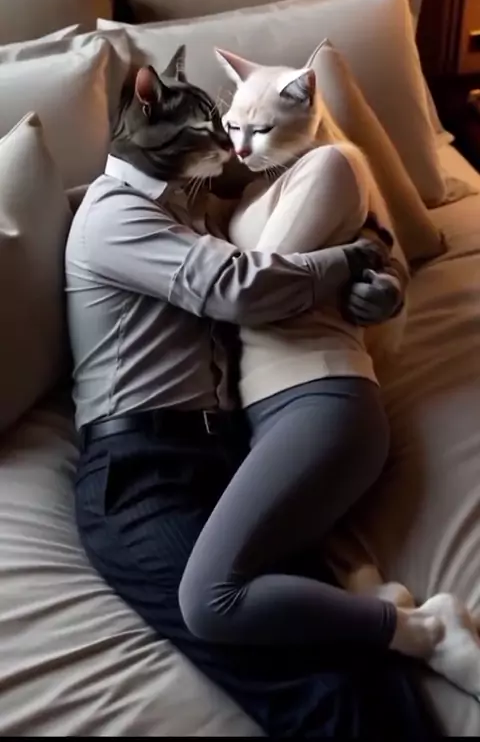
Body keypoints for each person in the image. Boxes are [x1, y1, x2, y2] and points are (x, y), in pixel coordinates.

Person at [66, 53, 439, 738]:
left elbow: (311, 199)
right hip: (141, 470)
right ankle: (422, 631)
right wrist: (349, 260)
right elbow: (239, 287)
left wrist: (380, 261)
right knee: (287, 668)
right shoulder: (112, 214)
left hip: (225, 450)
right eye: (211, 132)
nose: (227, 148)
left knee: (327, 639)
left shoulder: (198, 204)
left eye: (226, 129)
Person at [178, 47, 480, 705]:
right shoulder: (251, 186)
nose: (242, 146)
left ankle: (431, 631)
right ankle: (380, 603)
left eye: (258, 131)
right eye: (234, 127)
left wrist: (384, 270)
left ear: (307, 106)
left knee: (207, 599)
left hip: (319, 399)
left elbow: (251, 289)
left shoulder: (332, 162)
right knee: (262, 575)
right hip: (268, 416)